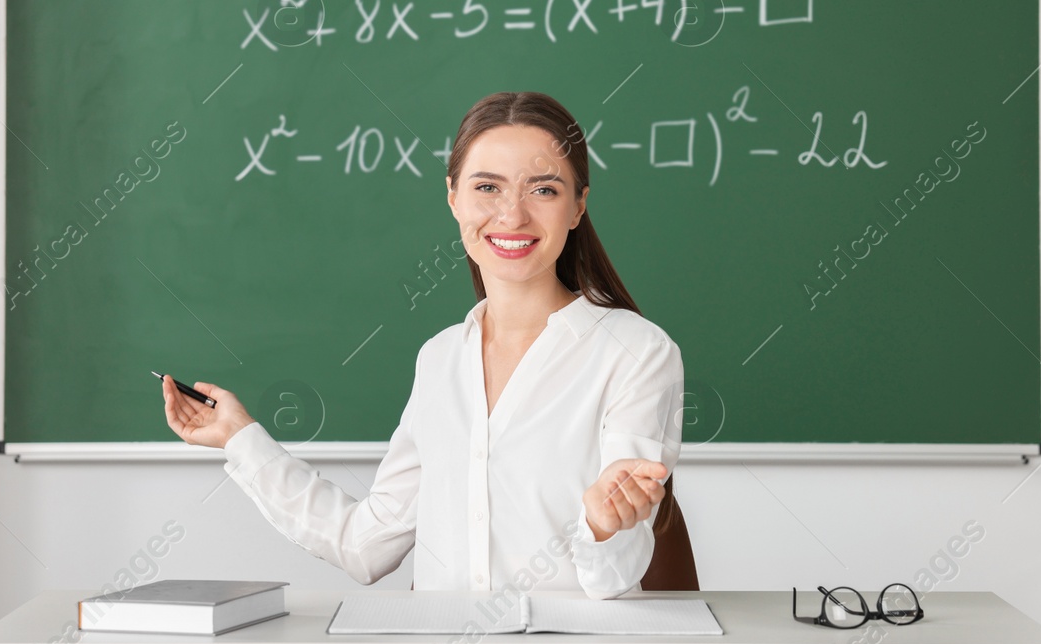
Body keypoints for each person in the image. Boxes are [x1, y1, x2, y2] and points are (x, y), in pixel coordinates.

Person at [161, 91, 684, 599]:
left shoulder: (636, 353)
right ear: (453, 197)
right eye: (488, 187)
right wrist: (239, 437)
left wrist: (603, 524)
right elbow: (364, 546)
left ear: (577, 207)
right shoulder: (440, 359)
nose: (512, 215)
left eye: (543, 190)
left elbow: (614, 579)